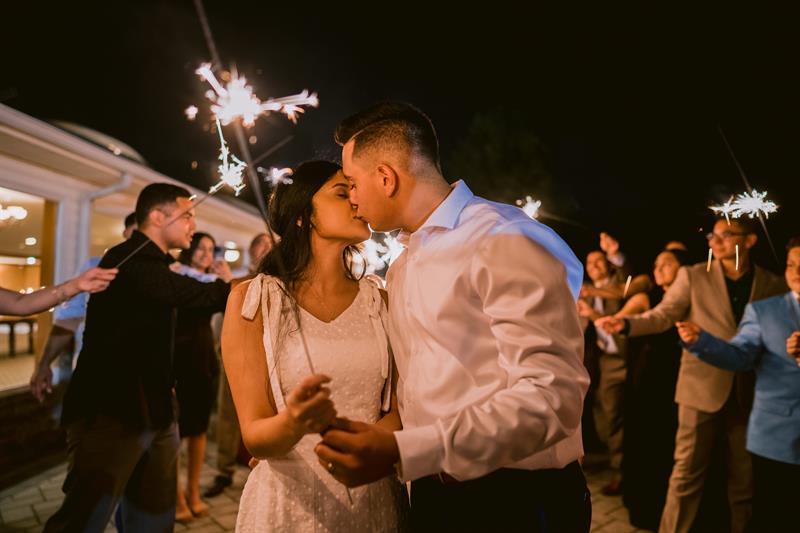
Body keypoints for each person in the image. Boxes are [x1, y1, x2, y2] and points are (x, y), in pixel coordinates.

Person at [315, 102, 591, 532]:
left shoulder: (503, 238)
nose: (352, 199)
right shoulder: (403, 265)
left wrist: (407, 449)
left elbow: (551, 398)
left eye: (352, 183)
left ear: (386, 177)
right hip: (433, 493)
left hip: (516, 500)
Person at [222, 161, 408, 532]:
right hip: (287, 502)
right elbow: (254, 436)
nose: (356, 200)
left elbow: (402, 407)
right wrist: (293, 423)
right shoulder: (254, 300)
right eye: (342, 193)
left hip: (371, 494)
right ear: (303, 215)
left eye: (354, 190)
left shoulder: (381, 301)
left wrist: (367, 445)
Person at [43, 184, 231, 533]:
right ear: (157, 217)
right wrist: (249, 284)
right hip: (111, 413)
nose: (193, 223)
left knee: (152, 520)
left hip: (156, 409)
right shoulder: (130, 261)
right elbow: (201, 293)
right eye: (187, 215)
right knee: (83, 519)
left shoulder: (160, 266)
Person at [596, 217, 787, 533]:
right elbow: (663, 315)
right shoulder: (694, 275)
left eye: (727, 234)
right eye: (713, 235)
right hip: (701, 388)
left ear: (750, 240)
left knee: (745, 480)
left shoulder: (772, 283)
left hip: (748, 392)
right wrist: (627, 324)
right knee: (686, 475)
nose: (716, 241)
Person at [675, 237, 800, 532]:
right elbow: (740, 356)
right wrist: (701, 341)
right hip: (777, 436)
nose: (796, 272)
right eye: (791, 265)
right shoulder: (765, 310)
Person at [612, 247, 689, 529]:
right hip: (647, 374)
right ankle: (643, 505)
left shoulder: (690, 298)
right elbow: (627, 318)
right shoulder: (649, 297)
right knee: (643, 435)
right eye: (656, 264)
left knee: (669, 441)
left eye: (666, 264)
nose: (658, 269)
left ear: (683, 270)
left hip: (677, 375)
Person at [30, 212, 136, 402]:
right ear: (126, 232)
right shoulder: (97, 267)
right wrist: (44, 363)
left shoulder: (169, 274)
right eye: (137, 232)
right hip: (95, 373)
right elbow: (68, 319)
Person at [172, 232, 232, 522]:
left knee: (198, 430)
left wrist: (225, 278)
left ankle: (193, 490)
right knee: (175, 432)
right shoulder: (176, 276)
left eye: (210, 249)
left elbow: (228, 304)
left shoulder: (213, 284)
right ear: (190, 249)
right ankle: (176, 496)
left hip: (203, 359)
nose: (206, 254)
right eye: (201, 248)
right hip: (177, 359)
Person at [576, 250, 628, 495]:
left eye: (599, 261)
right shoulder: (582, 289)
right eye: (589, 262)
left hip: (619, 358)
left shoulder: (618, 285)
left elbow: (625, 282)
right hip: (594, 361)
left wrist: (616, 255)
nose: (594, 265)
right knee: (598, 415)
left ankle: (620, 473)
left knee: (613, 415)